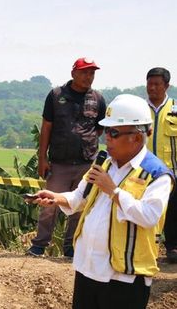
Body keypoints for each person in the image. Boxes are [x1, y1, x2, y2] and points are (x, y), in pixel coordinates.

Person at [33, 94, 173, 309]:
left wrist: (113, 191)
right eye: (106, 131)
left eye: (114, 132)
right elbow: (80, 198)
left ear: (136, 137)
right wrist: (56, 198)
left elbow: (149, 216)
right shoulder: (104, 164)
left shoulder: (157, 175)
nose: (106, 138)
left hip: (124, 277)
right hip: (88, 268)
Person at [27, 57, 106, 257]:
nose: (89, 76)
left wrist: (83, 141)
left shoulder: (98, 99)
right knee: (49, 204)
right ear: (73, 73)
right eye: (85, 72)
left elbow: (98, 129)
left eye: (92, 73)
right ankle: (39, 244)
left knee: (79, 206)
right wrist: (42, 158)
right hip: (59, 162)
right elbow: (46, 127)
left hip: (85, 162)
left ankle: (71, 246)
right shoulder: (56, 95)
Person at [145, 67, 177, 263]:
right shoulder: (139, 110)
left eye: (157, 84)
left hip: (172, 171)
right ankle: (147, 250)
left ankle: (172, 248)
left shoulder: (175, 108)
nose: (152, 88)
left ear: (167, 86)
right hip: (144, 173)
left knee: (173, 211)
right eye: (150, 84)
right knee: (147, 211)